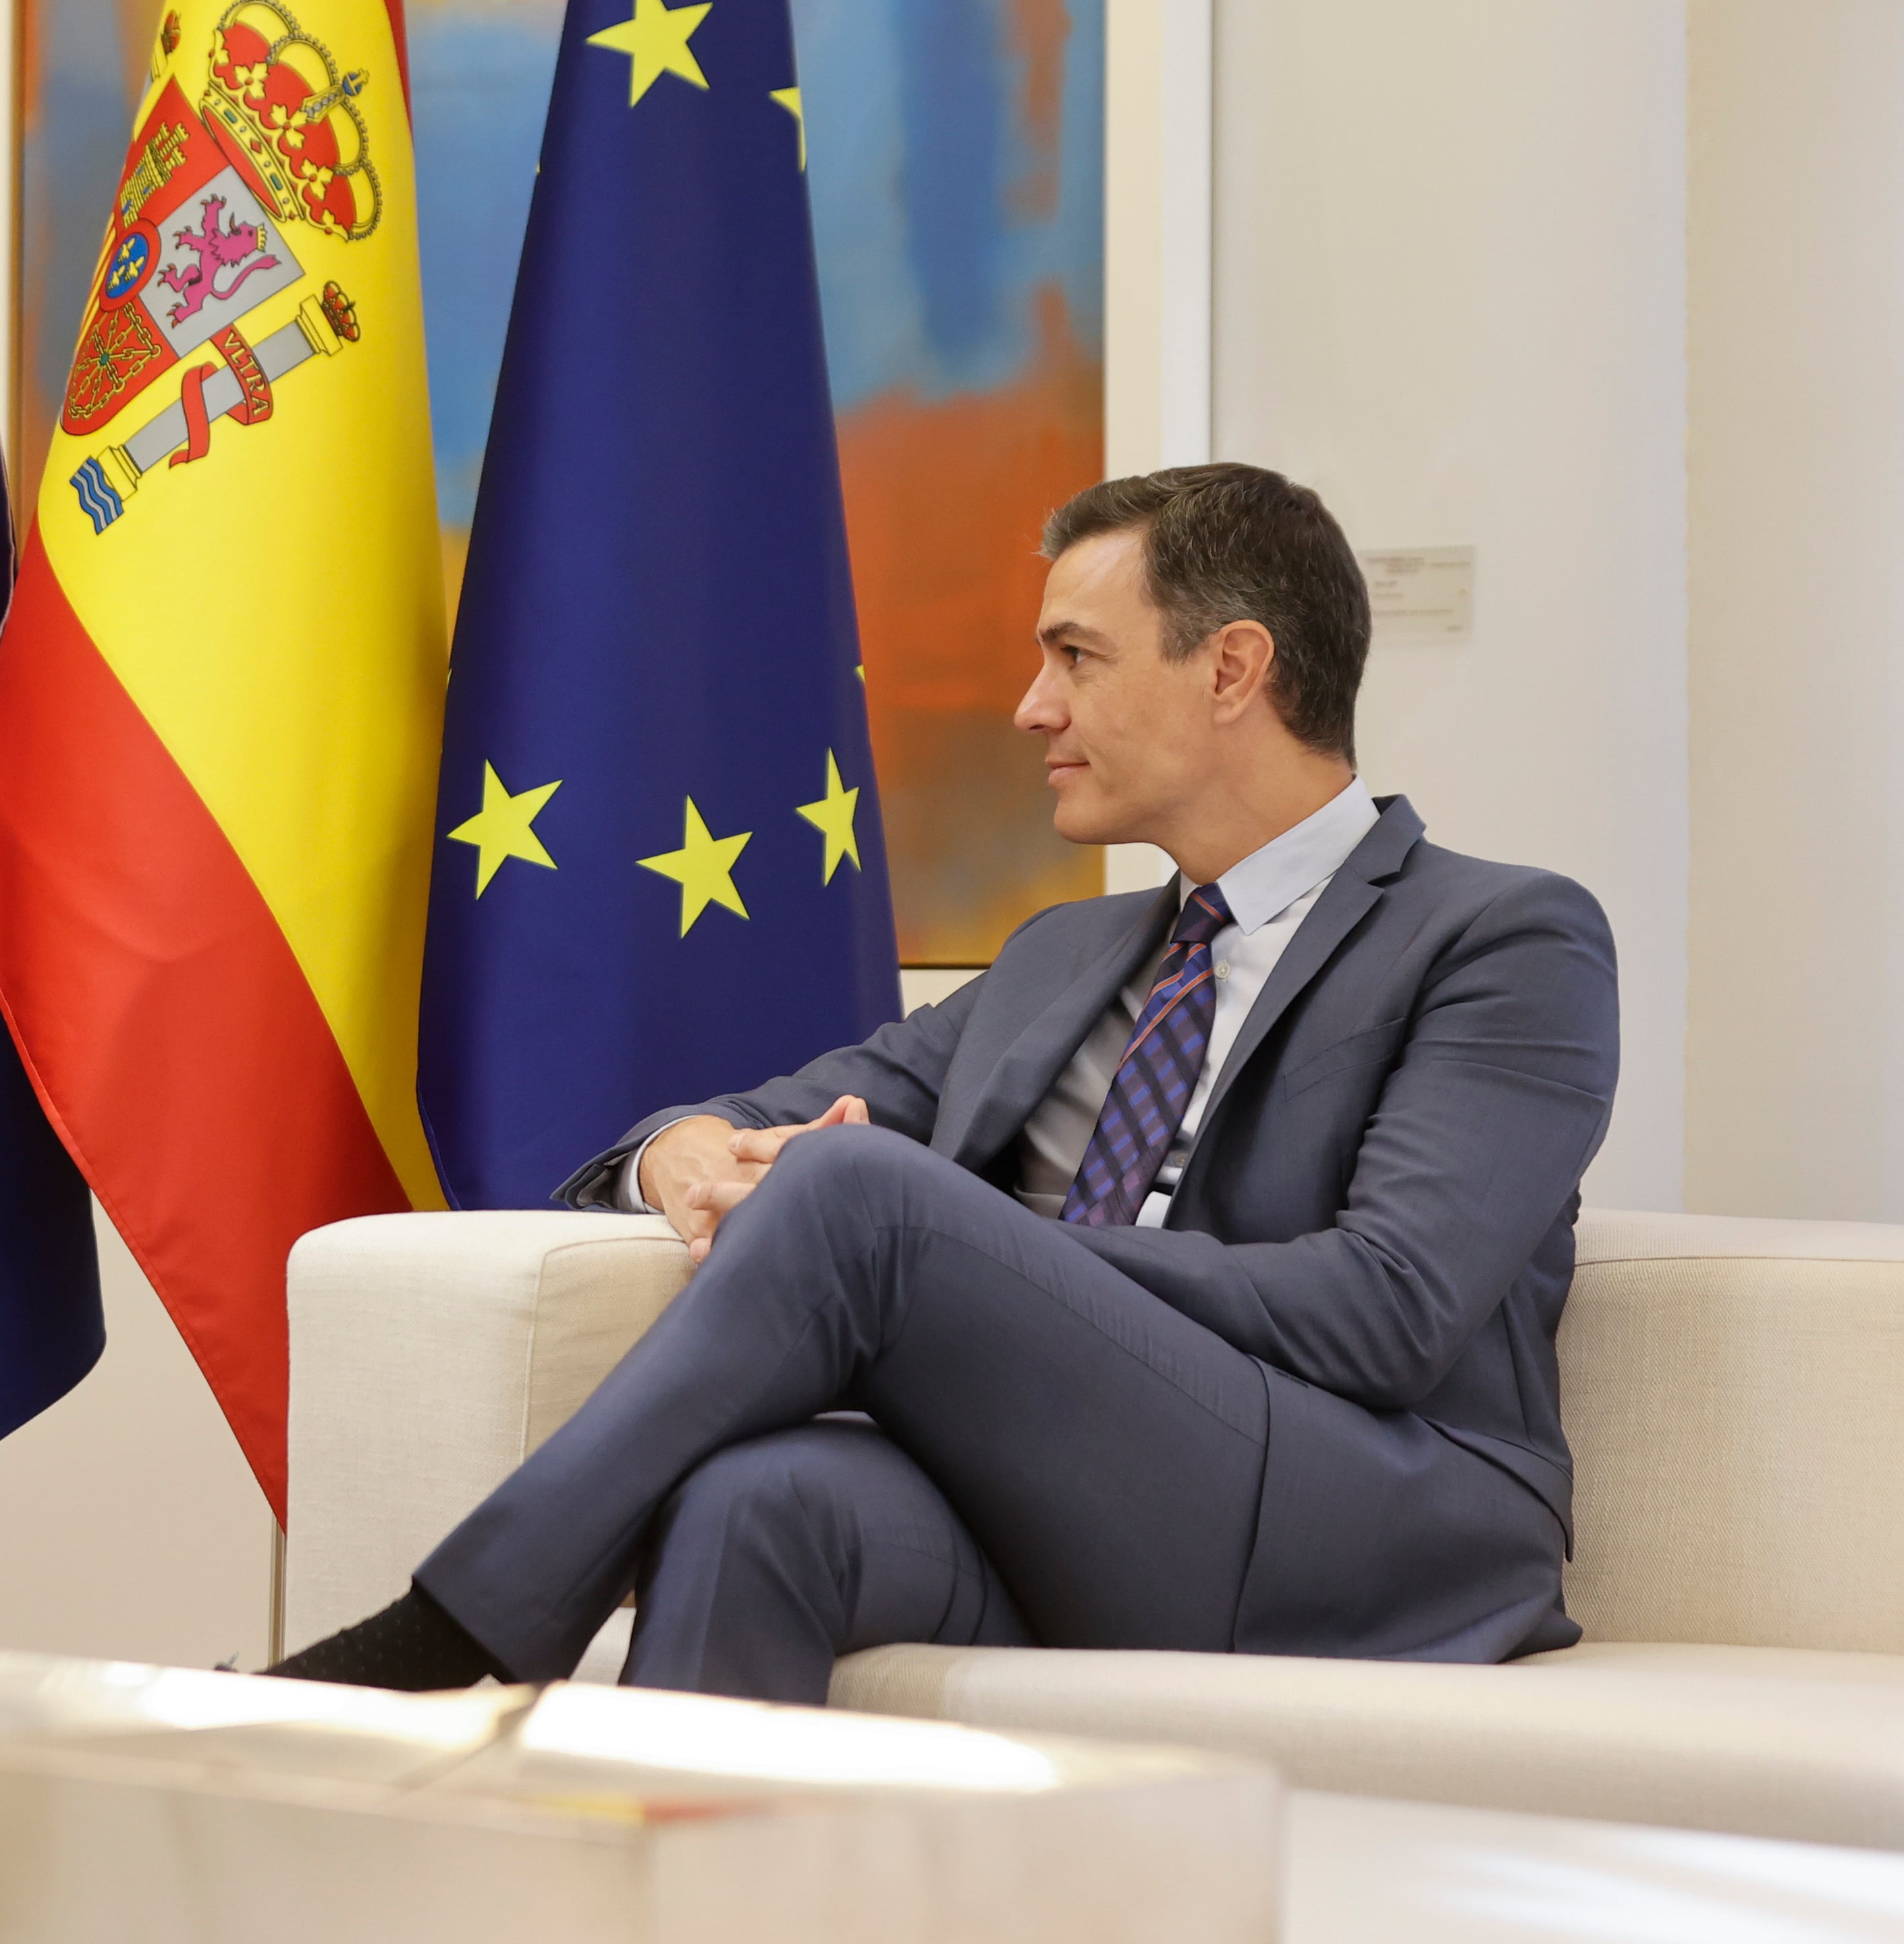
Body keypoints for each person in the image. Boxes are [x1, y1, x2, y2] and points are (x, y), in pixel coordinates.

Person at [275, 463, 1617, 1702]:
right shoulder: (1065, 954)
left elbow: (1386, 1310)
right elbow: (786, 1110)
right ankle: (671, 1927)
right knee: (760, 1496)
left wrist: (1005, 1261)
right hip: (1079, 1507)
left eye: (1076, 658)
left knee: (863, 1193)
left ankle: (459, 1628)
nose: (1033, 707)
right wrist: (680, 1148)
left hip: (1348, 1523)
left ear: (1233, 668)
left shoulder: (1502, 938)